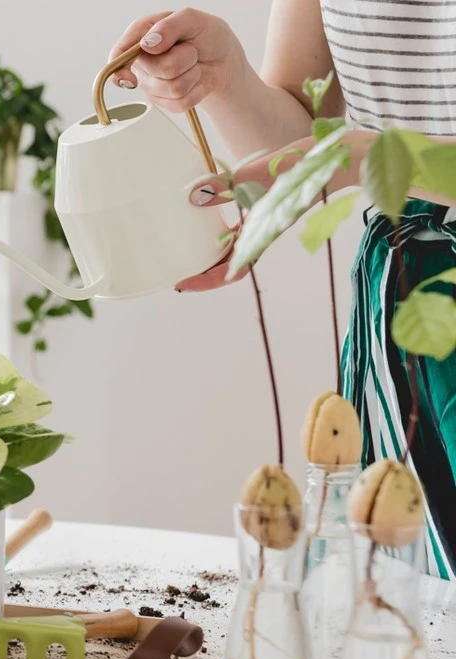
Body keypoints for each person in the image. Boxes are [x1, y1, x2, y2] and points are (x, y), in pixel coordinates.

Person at [109, 3, 455, 578]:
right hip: (408, 298)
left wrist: (363, 156)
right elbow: (302, 129)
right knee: (416, 614)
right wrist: (228, 79)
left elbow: (342, 155)